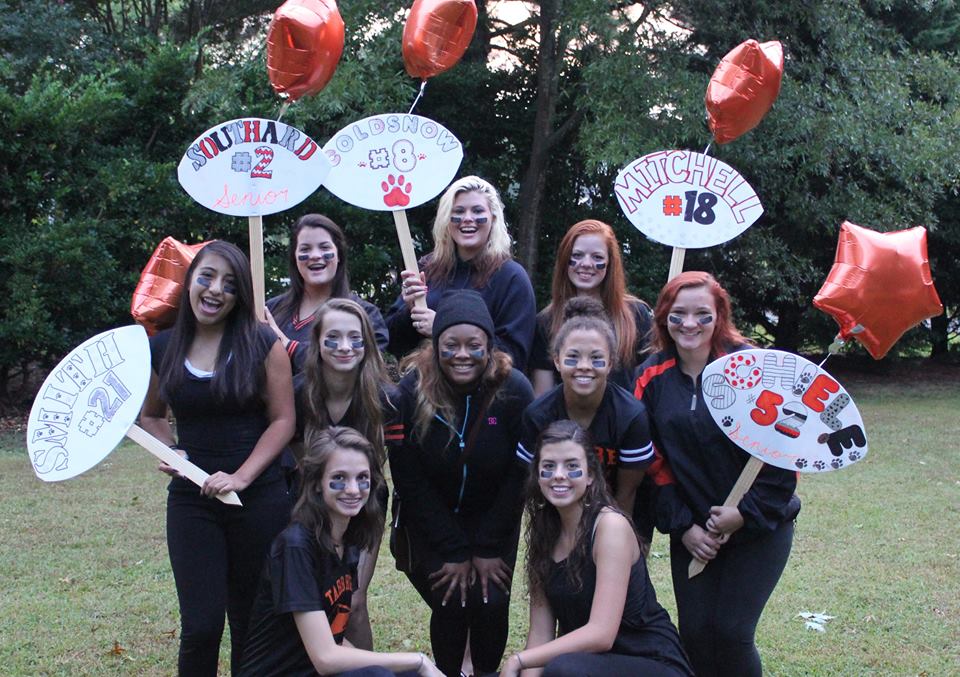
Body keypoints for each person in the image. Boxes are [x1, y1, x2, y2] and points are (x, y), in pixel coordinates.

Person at [634, 271, 801, 677]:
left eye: (702, 315)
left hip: (759, 526)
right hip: (694, 531)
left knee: (730, 633)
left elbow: (784, 453)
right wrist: (684, 527)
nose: (689, 324)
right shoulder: (650, 377)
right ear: (663, 317)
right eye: (678, 314)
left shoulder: (751, 367)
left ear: (719, 316)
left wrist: (742, 514)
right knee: (695, 634)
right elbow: (652, 463)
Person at [139, 240, 295, 676]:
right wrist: (172, 450)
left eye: (229, 283)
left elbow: (283, 420)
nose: (215, 290)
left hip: (258, 499)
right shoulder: (162, 347)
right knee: (201, 627)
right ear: (190, 281)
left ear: (240, 294)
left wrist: (241, 477)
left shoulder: (262, 343)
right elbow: (151, 416)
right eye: (206, 277)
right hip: (192, 503)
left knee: (251, 622)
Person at [387, 290, 534, 676]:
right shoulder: (411, 391)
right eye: (451, 345)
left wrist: (488, 546)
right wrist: (451, 548)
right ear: (436, 346)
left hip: (495, 516)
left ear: (489, 345)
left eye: (474, 345)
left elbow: (520, 473)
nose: (462, 354)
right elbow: (408, 476)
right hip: (433, 517)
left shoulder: (513, 390)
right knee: (451, 600)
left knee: (490, 600)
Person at [239, 427, 443, 677]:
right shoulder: (296, 547)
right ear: (316, 483)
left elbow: (333, 637)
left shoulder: (347, 541)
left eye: (362, 477)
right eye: (339, 478)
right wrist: (418, 660)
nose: (354, 489)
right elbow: (326, 657)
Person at [501, 420, 693, 677]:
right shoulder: (544, 533)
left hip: (649, 661)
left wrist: (518, 660)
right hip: (589, 665)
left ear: (591, 475)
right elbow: (540, 634)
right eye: (548, 466)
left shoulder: (610, 526)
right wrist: (524, 667)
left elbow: (601, 634)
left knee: (563, 669)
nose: (559, 475)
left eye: (572, 466)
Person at [299, 297, 398, 650]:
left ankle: (369, 671)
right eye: (333, 337)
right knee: (317, 600)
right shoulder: (300, 393)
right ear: (317, 342)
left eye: (355, 338)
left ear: (367, 343)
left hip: (365, 506)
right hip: (311, 507)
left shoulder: (386, 398)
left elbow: (404, 466)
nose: (344, 347)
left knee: (353, 601)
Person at [517, 297, 655, 539]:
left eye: (596, 358)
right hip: (556, 519)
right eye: (572, 357)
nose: (584, 366)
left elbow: (627, 493)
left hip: (618, 515)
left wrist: (613, 539)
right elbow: (534, 488)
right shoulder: (538, 415)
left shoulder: (630, 415)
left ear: (611, 363)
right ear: (556, 361)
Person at [384, 175, 536, 371]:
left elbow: (514, 356)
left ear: (493, 218)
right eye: (458, 211)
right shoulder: (427, 269)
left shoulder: (511, 278)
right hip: (424, 384)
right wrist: (409, 310)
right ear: (446, 219)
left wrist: (443, 328)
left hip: (485, 388)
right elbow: (390, 341)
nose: (467, 219)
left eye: (478, 211)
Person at [530, 219, 652, 397]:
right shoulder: (545, 322)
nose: (586, 263)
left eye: (597, 257)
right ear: (564, 259)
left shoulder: (636, 315)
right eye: (577, 255)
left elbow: (650, 385)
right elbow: (542, 397)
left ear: (610, 263)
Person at [265, 213, 389, 374]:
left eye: (324, 247)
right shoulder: (270, 310)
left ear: (339, 255)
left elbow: (364, 369)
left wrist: (289, 347)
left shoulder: (365, 314)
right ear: (294, 258)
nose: (315, 256)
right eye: (305, 249)